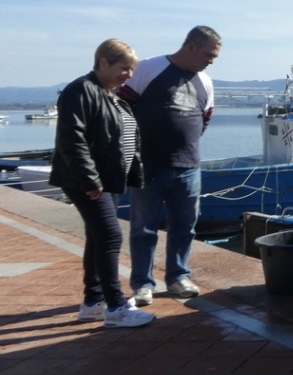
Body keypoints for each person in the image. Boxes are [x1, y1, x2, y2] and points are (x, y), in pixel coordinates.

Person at [49, 39, 155, 328]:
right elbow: (73, 139)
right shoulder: (81, 90)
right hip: (89, 181)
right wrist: (89, 179)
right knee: (110, 237)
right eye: (124, 68)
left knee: (98, 238)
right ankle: (115, 307)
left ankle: (93, 303)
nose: (129, 75)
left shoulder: (110, 94)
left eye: (132, 69)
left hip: (107, 180)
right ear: (103, 62)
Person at [122, 25, 222, 305]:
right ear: (190, 46)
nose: (211, 60)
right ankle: (142, 283)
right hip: (148, 165)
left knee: (185, 226)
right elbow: (122, 108)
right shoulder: (148, 68)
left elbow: (205, 119)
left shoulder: (206, 81)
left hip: (188, 166)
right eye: (209, 54)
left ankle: (178, 277)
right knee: (143, 228)